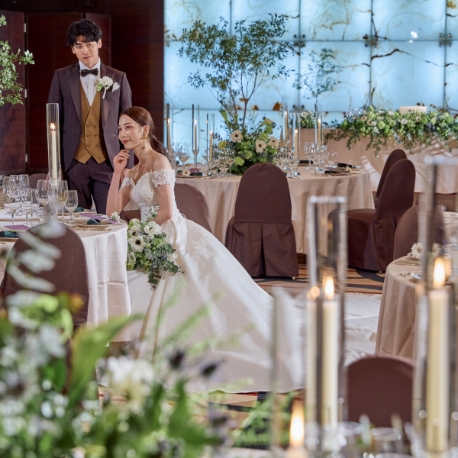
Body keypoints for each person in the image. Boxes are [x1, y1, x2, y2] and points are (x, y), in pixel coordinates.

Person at [106, 107, 301, 392]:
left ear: (144, 130)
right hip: (146, 236)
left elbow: (167, 211)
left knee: (182, 283)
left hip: (167, 231)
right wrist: (117, 174)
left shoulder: (159, 162)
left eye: (128, 127)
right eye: (120, 129)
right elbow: (112, 212)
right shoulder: (133, 171)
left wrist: (142, 232)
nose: (123, 134)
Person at [48, 19, 133, 214]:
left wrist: (128, 166)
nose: (85, 50)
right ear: (73, 49)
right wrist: (54, 167)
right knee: (75, 221)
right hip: (73, 164)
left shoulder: (118, 78)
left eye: (89, 44)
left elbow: (129, 125)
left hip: (108, 163)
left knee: (110, 218)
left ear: (99, 43)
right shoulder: (61, 77)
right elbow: (53, 123)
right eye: (79, 46)